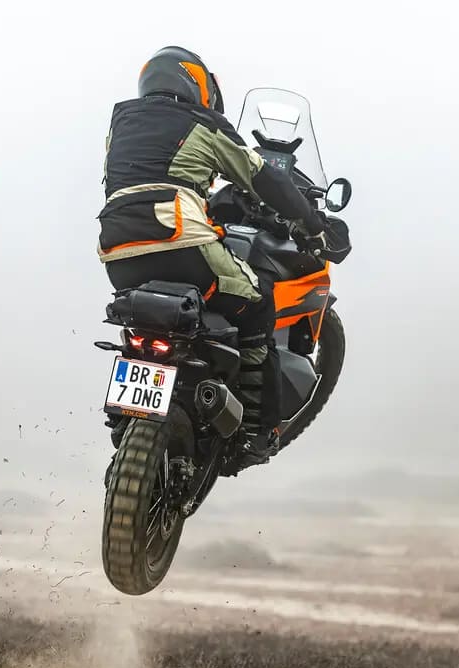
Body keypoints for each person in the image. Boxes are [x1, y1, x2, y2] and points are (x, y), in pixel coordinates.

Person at [97, 46, 325, 464]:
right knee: (257, 301)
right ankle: (255, 429)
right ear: (198, 85)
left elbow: (144, 178)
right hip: (181, 245)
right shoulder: (202, 123)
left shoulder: (121, 123)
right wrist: (313, 224)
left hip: (118, 253)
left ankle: (126, 416)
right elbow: (263, 178)